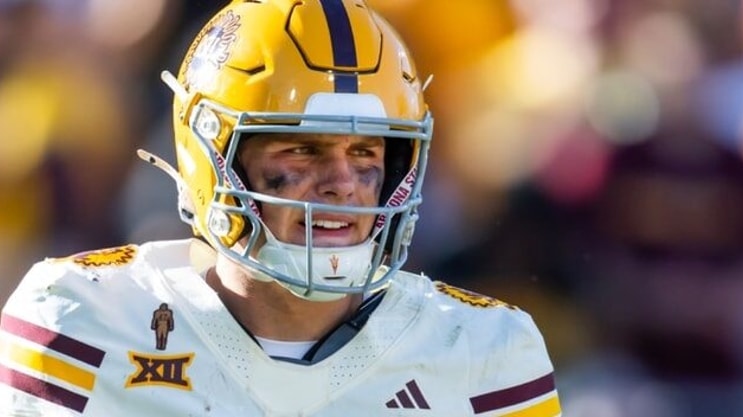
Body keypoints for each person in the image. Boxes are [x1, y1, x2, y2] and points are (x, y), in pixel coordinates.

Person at [0, 1, 561, 415]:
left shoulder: (483, 356)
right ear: (212, 154)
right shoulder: (80, 324)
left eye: (366, 151)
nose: (344, 183)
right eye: (302, 148)